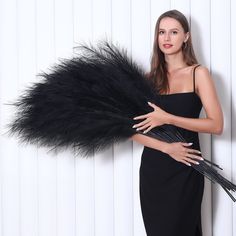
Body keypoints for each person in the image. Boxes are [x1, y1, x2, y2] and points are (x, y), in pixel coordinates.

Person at [131, 9, 224, 236]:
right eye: (162, 32)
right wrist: (166, 148)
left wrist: (168, 118)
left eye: (174, 32)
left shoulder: (198, 73)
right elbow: (130, 130)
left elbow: (216, 125)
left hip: (186, 167)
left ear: (186, 36)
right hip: (154, 170)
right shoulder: (147, 79)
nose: (166, 38)